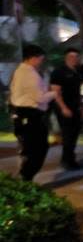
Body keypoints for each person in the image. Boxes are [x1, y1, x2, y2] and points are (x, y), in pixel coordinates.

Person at [9, 44, 55, 180]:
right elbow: (40, 98)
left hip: (23, 115)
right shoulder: (29, 74)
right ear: (33, 58)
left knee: (30, 148)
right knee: (37, 148)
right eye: (41, 59)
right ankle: (25, 177)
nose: (41, 62)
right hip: (30, 115)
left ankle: (25, 177)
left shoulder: (20, 71)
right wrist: (53, 94)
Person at [50, 47, 83, 171]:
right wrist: (63, 108)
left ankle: (70, 157)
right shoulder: (58, 72)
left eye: (76, 56)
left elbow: (78, 91)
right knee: (68, 134)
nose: (74, 59)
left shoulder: (77, 71)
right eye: (71, 56)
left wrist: (81, 106)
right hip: (63, 106)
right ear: (66, 58)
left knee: (74, 133)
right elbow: (56, 92)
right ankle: (67, 160)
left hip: (75, 106)